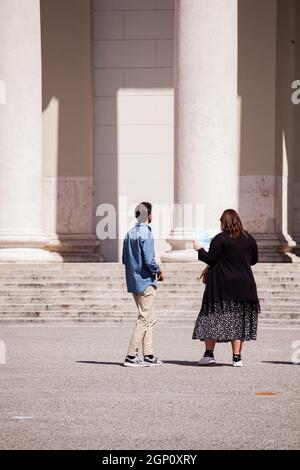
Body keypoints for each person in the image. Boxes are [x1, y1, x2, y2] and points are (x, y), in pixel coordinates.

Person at [192, 209, 260, 367]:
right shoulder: (249, 238)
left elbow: (210, 258)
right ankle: (237, 357)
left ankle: (209, 354)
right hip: (244, 285)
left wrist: (198, 248)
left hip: (221, 285)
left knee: (212, 317)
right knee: (238, 320)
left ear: (224, 222)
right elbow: (254, 260)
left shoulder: (220, 238)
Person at [122, 202, 164, 367]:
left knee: (149, 318)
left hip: (134, 282)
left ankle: (149, 354)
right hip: (146, 281)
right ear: (149, 215)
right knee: (144, 318)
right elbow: (149, 259)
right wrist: (158, 270)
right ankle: (131, 356)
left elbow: (125, 260)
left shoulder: (129, 233)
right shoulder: (146, 234)